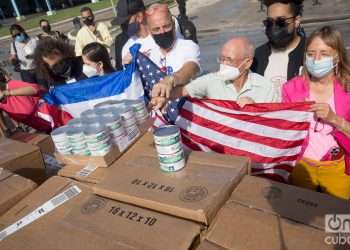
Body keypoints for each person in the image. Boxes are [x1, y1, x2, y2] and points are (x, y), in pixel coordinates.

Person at [282, 26, 350, 200]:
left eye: (324, 54)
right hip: (302, 167)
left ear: (337, 57)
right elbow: (282, 128)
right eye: (311, 54)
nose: (316, 59)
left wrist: (334, 119)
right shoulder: (291, 89)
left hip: (338, 166)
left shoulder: (348, 89)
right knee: (302, 220)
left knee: (337, 221)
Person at [183, 37, 277, 107]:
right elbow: (183, 91)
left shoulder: (266, 88)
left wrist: (255, 109)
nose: (223, 64)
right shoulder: (212, 80)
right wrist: (171, 81)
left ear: (247, 63)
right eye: (222, 59)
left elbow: (277, 123)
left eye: (229, 60)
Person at [145, 3, 200, 108]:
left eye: (166, 26)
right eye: (156, 29)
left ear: (173, 24)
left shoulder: (188, 46)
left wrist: (171, 80)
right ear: (149, 31)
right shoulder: (146, 53)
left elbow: (191, 68)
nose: (162, 32)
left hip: (185, 110)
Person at [251, 0, 305, 100]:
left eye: (281, 22)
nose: (274, 27)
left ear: (296, 21)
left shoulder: (311, 53)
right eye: (269, 22)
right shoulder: (257, 56)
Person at [0, 67, 71, 133]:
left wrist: (7, 93)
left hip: (57, 117)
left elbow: (35, 88)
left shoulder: (11, 85)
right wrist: (8, 129)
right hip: (45, 128)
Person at [117, 0, 183, 66]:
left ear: (140, 16)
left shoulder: (165, 33)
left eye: (126, 22)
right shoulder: (127, 48)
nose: (122, 26)